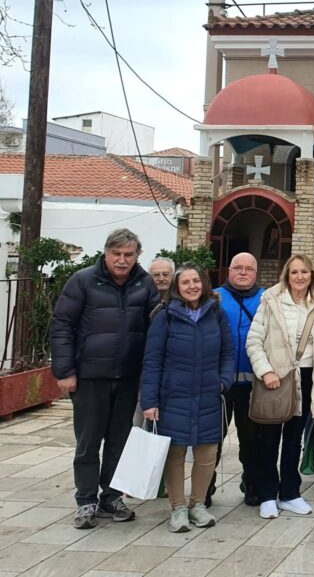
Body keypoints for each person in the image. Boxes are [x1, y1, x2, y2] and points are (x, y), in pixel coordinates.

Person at [50, 228, 160, 530]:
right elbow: (62, 325)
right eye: (116, 254)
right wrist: (65, 371)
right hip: (89, 377)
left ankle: (111, 497)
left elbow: (156, 327)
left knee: (119, 441)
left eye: (129, 254)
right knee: (88, 442)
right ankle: (86, 500)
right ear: (106, 253)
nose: (122, 260)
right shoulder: (82, 281)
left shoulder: (145, 284)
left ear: (137, 255)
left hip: (128, 377)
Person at [141, 265, 233, 532]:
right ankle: (178, 508)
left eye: (196, 281)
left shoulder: (216, 313)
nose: (192, 286)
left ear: (204, 283)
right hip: (174, 397)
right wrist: (149, 400)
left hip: (208, 395)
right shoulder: (165, 316)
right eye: (185, 282)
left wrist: (223, 381)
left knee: (207, 452)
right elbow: (152, 360)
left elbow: (228, 352)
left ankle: (198, 504)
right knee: (175, 453)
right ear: (177, 287)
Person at [246, 254, 314, 519]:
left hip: (308, 377)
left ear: (311, 275)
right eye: (294, 272)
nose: (300, 277)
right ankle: (267, 494)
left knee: (294, 439)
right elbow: (253, 341)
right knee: (269, 439)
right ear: (287, 275)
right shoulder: (271, 301)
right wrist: (266, 371)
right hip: (277, 378)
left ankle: (290, 493)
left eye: (304, 271)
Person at [213, 252, 265, 507]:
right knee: (212, 439)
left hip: (253, 385)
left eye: (248, 268)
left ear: (256, 273)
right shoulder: (214, 297)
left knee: (251, 440)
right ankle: (205, 485)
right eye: (238, 268)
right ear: (229, 271)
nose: (243, 272)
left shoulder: (266, 299)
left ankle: (252, 483)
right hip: (218, 384)